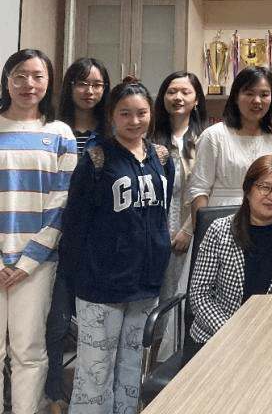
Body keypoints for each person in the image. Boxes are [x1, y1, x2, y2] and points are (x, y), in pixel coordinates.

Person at [62, 78, 174, 414]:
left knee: (131, 371)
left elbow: (162, 213)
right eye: (125, 113)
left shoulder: (161, 158)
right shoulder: (96, 159)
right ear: (111, 115)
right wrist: (74, 280)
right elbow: (75, 225)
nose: (135, 120)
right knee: (95, 374)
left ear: (151, 114)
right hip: (100, 286)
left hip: (145, 284)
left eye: (142, 113)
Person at [0, 50, 77, 414]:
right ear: (7, 80)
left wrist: (29, 260)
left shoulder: (60, 134)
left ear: (49, 82)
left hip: (37, 263)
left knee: (28, 352)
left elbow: (62, 202)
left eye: (37, 76)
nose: (28, 84)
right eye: (19, 75)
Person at [187, 155, 272, 361]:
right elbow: (200, 294)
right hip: (217, 338)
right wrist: (232, 331)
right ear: (248, 189)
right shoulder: (219, 231)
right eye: (264, 187)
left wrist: (269, 311)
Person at [46, 57, 110, 413]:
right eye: (82, 83)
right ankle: (54, 392)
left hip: (98, 239)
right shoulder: (53, 128)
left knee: (94, 325)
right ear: (69, 87)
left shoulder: (112, 132)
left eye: (97, 85)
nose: (90, 91)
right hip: (55, 236)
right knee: (56, 322)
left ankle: (91, 395)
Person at [151, 71, 207, 355]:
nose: (178, 97)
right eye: (172, 91)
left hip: (187, 232)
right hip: (153, 231)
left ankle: (173, 361)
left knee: (178, 297)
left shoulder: (204, 138)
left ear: (196, 100)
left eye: (185, 92)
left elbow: (205, 189)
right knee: (153, 299)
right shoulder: (149, 137)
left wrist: (188, 229)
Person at [190, 66, 272, 213]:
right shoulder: (214, 136)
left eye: (264, 95)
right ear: (236, 96)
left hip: (267, 216)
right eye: (249, 93)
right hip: (221, 215)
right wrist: (202, 225)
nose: (257, 101)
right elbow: (199, 189)